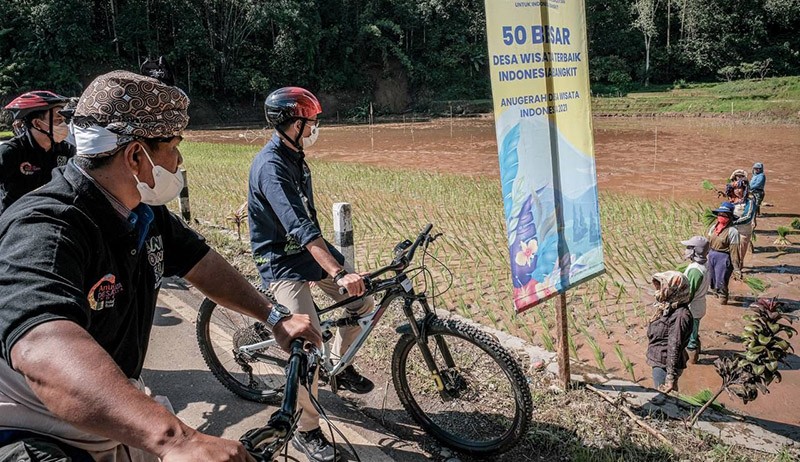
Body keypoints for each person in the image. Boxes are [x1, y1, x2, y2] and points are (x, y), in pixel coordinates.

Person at [0, 70, 321, 462]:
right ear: (136, 155)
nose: (180, 159)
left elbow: (200, 262)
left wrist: (273, 316)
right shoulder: (46, 226)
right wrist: (175, 439)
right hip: (41, 422)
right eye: (173, 145)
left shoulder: (145, 213)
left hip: (113, 406)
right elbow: (42, 344)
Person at [248, 86, 374, 462]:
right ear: (290, 123)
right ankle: (306, 430)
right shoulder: (271, 166)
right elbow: (299, 227)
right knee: (308, 340)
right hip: (280, 261)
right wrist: (336, 271)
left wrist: (340, 272)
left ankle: (340, 368)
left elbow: (307, 222)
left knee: (363, 302)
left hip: (307, 254)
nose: (315, 127)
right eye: (311, 122)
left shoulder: (295, 156)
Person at [0, 91, 76, 215]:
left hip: (50, 219)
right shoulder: (10, 152)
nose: (63, 125)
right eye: (58, 120)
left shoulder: (66, 150)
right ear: (37, 123)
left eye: (63, 120)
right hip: (15, 220)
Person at [646, 271, 693, 394]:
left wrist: (670, 377)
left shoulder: (680, 315)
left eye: (663, 287)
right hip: (661, 359)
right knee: (666, 397)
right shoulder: (669, 306)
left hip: (665, 365)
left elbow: (674, 345)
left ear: (675, 289)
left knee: (663, 397)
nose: (659, 290)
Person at [680, 236, 710, 364]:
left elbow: (689, 293)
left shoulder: (695, 270)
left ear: (695, 251)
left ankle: (692, 360)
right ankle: (696, 352)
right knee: (694, 330)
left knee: (691, 337)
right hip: (700, 304)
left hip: (693, 307)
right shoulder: (704, 264)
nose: (686, 250)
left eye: (689, 248)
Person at [706, 202, 741, 305]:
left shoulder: (732, 231)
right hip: (712, 255)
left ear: (730, 217)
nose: (721, 217)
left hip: (723, 258)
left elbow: (734, 251)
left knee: (722, 281)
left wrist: (737, 269)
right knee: (712, 280)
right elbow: (708, 243)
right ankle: (714, 301)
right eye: (720, 214)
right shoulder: (713, 228)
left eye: (724, 215)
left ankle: (723, 301)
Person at [730, 179, 756, 270]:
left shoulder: (750, 201)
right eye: (735, 189)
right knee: (731, 252)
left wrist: (733, 222)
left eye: (739, 188)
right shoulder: (732, 200)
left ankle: (738, 270)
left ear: (744, 189)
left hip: (743, 231)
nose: (737, 191)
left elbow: (748, 217)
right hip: (732, 230)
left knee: (740, 253)